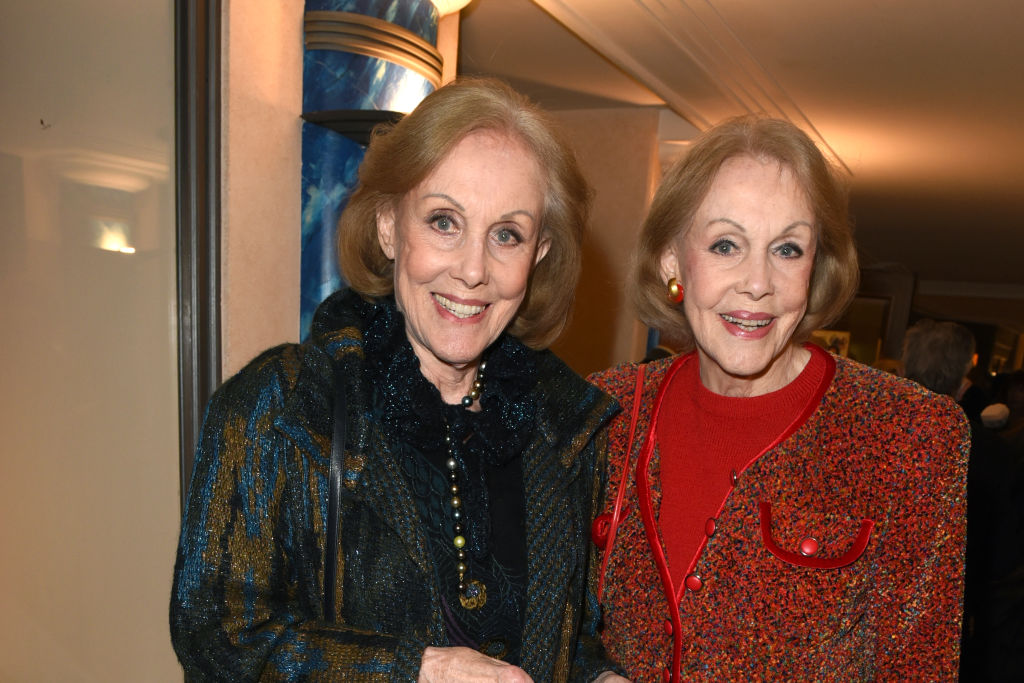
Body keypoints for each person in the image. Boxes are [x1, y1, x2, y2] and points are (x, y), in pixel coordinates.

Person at [170, 77, 627, 682]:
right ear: (389, 225)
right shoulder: (280, 404)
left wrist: (598, 677)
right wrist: (412, 671)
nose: (472, 270)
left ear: (539, 253)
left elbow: (573, 638)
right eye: (444, 221)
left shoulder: (564, 429)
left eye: (507, 235)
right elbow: (214, 636)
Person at [587, 115, 970, 681]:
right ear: (672, 259)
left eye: (787, 249)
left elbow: (918, 668)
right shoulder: (605, 411)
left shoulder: (912, 434)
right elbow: (555, 623)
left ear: (815, 266)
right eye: (725, 244)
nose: (758, 282)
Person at [902, 319, 1023, 681]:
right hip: (951, 621)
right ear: (963, 378)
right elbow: (1004, 557)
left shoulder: (865, 438)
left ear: (904, 368)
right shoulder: (991, 452)